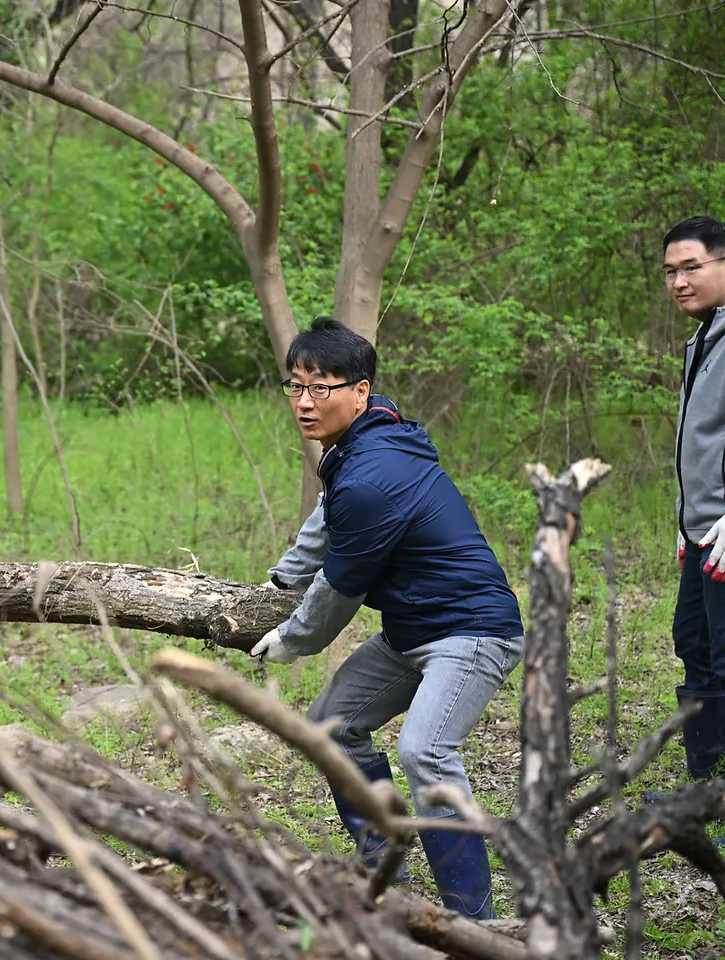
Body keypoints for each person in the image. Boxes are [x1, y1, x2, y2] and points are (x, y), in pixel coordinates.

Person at [250, 316, 524, 919]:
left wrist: (290, 640)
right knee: (332, 726)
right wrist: (281, 581)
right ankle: (382, 861)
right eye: (296, 386)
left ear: (360, 391)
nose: (304, 402)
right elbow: (325, 520)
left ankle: (473, 920)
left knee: (426, 752)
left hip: (472, 631)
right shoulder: (364, 441)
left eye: (320, 388)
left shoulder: (374, 472)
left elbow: (339, 590)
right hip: (412, 630)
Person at [664, 216, 725, 801]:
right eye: (670, 272)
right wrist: (686, 520)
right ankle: (708, 793)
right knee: (695, 644)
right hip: (704, 533)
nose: (679, 282)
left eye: (692, 267)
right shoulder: (706, 338)